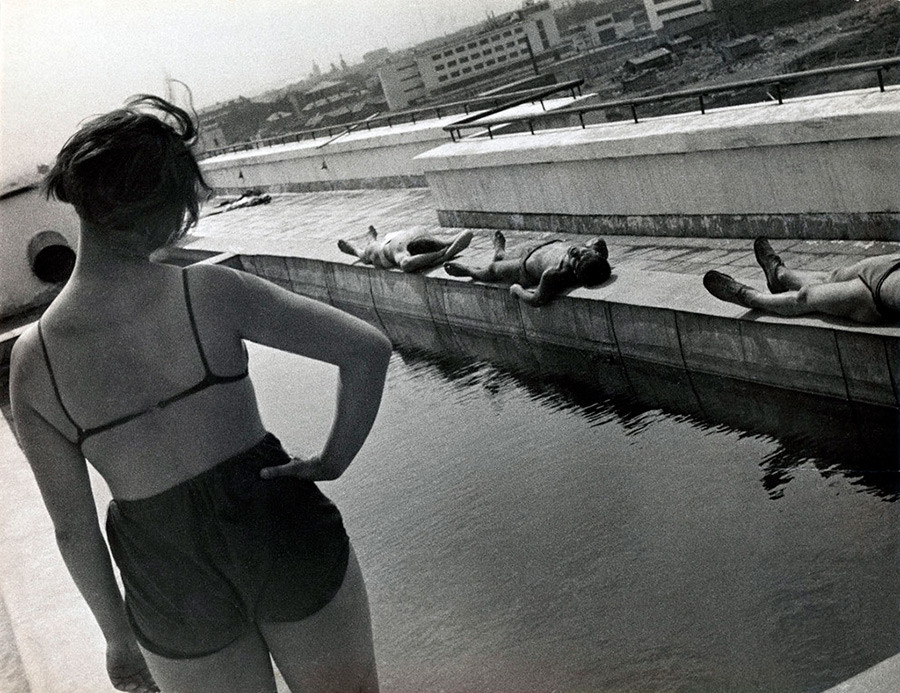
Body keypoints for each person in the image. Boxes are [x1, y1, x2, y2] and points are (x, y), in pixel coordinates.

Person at [9, 95, 392, 693]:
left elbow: (72, 528)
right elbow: (366, 351)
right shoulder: (210, 294)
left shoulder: (34, 364)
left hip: (167, 574)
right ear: (165, 209)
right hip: (278, 527)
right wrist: (331, 460)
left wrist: (116, 636)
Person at [703, 237, 900, 325]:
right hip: (892, 266)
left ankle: (750, 297)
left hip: (873, 297)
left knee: (806, 297)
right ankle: (780, 275)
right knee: (834, 276)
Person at [443, 230, 612, 306]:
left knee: (494, 268)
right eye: (583, 252)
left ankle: (468, 270)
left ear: (574, 271)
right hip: (540, 247)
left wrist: (517, 290)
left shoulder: (553, 274)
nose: (575, 252)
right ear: (596, 254)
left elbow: (536, 299)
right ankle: (499, 252)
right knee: (504, 256)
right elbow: (598, 243)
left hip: (523, 269)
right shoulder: (596, 249)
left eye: (575, 260)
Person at [338, 225, 473, 272]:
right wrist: (439, 257)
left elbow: (468, 234)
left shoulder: (433, 241)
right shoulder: (402, 251)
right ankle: (358, 247)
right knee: (367, 255)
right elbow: (407, 265)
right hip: (384, 249)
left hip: (403, 235)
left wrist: (445, 255)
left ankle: (371, 238)